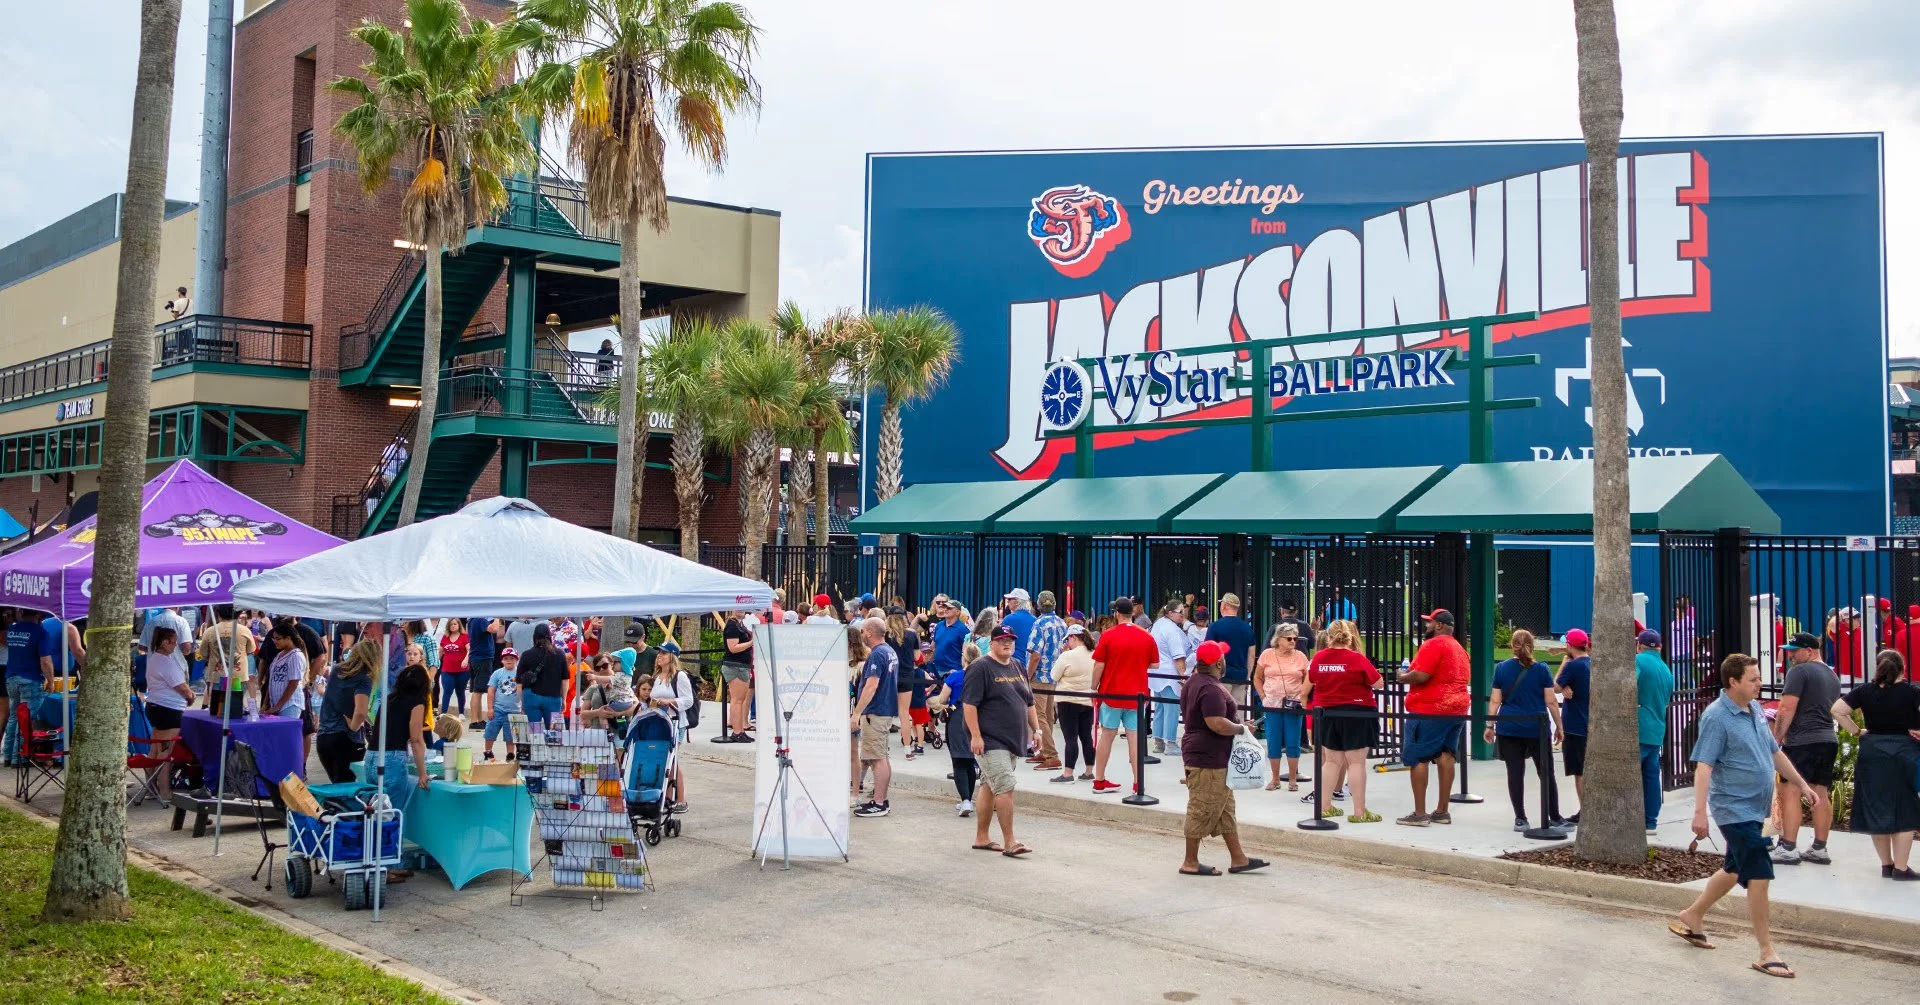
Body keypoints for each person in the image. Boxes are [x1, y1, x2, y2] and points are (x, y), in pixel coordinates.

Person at [1671, 653, 1820, 979]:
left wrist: (1802, 784)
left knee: (1735, 867)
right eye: (1753, 679)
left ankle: (1693, 915)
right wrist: (1700, 813)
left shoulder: (1753, 709)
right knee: (1759, 873)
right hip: (1733, 809)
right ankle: (1767, 952)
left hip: (1756, 809)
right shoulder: (1716, 718)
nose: (1759, 683)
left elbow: (1774, 753)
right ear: (1733, 681)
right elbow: (1704, 767)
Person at [1178, 640, 1269, 876]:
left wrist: (1240, 724)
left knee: (1225, 809)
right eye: (1223, 657)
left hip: (1210, 755)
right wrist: (1241, 730)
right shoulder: (1210, 688)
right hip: (1208, 758)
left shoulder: (1194, 682)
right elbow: (1216, 723)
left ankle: (1239, 858)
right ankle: (1190, 862)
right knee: (1201, 808)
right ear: (1219, 662)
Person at [1830, 649, 1920, 879]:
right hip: (1904, 752)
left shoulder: (1865, 691)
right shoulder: (1912, 692)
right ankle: (1901, 868)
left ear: (1878, 668)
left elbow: (1837, 710)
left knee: (1876, 805)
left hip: (1872, 752)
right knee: (1904, 808)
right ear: (1903, 668)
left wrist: (1857, 731)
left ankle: (1886, 865)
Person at [963, 624, 1039, 856]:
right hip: (990, 739)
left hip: (1012, 739)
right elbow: (969, 704)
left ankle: (982, 837)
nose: (1007, 643)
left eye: (1011, 640)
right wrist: (976, 735)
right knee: (1005, 788)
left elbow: (1028, 701)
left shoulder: (1017, 665)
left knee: (988, 785)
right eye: (1002, 639)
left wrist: (1037, 730)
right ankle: (1010, 842)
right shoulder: (980, 667)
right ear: (992, 642)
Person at [1769, 632, 1840, 865]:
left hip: (1801, 741)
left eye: (1794, 651)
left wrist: (1776, 739)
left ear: (1809, 651)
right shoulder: (1832, 675)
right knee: (1820, 792)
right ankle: (1820, 848)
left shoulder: (1799, 672)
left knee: (1790, 790)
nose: (1790, 655)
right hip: (1828, 739)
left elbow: (1786, 708)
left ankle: (1788, 847)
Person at [1485, 629, 1565, 832]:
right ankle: (1554, 816)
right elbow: (1551, 701)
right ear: (1533, 645)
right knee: (1546, 772)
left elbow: (1496, 700)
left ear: (1512, 646)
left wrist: (1489, 725)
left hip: (1509, 726)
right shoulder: (1542, 669)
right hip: (1536, 728)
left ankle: (1520, 817)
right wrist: (1559, 726)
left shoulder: (1501, 668)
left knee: (1515, 773)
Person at [1399, 609, 1470, 826]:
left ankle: (1420, 814)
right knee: (1447, 755)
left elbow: (1421, 675)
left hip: (1430, 709)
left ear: (1439, 625)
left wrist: (1402, 676)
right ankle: (1442, 811)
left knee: (1418, 758)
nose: (1427, 625)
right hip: (1456, 709)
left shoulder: (1433, 644)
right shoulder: (1459, 648)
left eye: (1430, 622)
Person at [1307, 620, 1381, 823]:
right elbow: (1378, 682)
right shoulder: (1356, 658)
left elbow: (1312, 678)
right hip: (1358, 711)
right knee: (1356, 762)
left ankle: (1324, 806)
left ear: (1329, 637)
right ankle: (1359, 811)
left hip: (1327, 712)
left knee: (1331, 761)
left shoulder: (1319, 657)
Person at [1091, 598, 1157, 794]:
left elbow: (1099, 664)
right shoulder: (1146, 636)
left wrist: (1093, 687)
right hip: (1137, 694)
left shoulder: (1108, 635)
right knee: (1135, 739)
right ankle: (1138, 782)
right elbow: (1154, 664)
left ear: (1116, 613)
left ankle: (1099, 780)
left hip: (1112, 692)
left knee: (1107, 737)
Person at [139, 627, 193, 803]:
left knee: (155, 749)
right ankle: (164, 791)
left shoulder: (154, 658)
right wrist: (190, 695)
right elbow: (181, 686)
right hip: (168, 710)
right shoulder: (165, 662)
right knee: (165, 752)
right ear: (164, 642)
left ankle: (151, 787)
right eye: (172, 641)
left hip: (157, 706)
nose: (175, 644)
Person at [852, 617, 899, 818]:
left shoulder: (878, 654)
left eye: (863, 631)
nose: (861, 634)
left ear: (870, 632)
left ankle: (879, 802)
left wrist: (857, 713)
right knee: (881, 756)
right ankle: (880, 799)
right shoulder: (889, 651)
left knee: (877, 758)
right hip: (885, 709)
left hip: (876, 712)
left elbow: (871, 685)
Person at [1254, 623, 1309, 791]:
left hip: (1293, 705)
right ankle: (1275, 778)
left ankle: (1292, 779)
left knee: (1293, 741)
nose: (1293, 641)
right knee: (1273, 741)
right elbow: (1257, 677)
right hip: (1272, 704)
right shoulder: (1267, 655)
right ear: (1278, 640)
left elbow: (1308, 679)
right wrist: (1263, 696)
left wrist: (1302, 697)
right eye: (1289, 638)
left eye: (1295, 638)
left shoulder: (1301, 656)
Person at [315, 637, 376, 783]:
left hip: (324, 737)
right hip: (346, 739)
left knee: (337, 785)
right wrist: (354, 727)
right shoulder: (364, 677)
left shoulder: (337, 670)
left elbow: (337, 699)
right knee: (346, 788)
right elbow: (360, 712)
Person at [2, 608, 53, 767]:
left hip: (11, 677)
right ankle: (21, 757)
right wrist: (50, 680)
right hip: (30, 679)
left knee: (13, 717)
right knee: (27, 719)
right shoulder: (40, 632)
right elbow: (45, 661)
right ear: (38, 615)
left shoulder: (12, 629)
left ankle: (9, 755)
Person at [1636, 628, 1675, 834]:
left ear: (1639, 645)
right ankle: (1650, 820)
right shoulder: (1667, 670)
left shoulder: (1639, 661)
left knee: (1631, 774)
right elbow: (1668, 701)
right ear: (1659, 646)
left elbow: (1629, 686)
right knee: (1651, 775)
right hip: (1657, 728)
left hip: (1639, 726)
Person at [1023, 590, 1067, 771]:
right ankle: (1044, 750)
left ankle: (1051, 755)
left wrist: (1027, 676)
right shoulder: (1062, 623)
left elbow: (1035, 655)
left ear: (1038, 605)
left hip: (1039, 675)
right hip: (1054, 675)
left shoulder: (1039, 623)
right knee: (1048, 715)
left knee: (1037, 716)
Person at [1048, 625, 1097, 783]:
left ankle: (1068, 773)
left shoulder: (1067, 656)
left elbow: (1054, 675)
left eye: (1068, 639)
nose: (1067, 643)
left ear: (1073, 638)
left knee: (1070, 738)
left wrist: (1062, 654)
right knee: (1086, 737)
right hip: (1087, 700)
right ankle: (1089, 771)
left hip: (1067, 701)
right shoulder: (1094, 654)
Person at [1555, 629, 1593, 823]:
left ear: (1570, 646)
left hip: (1575, 725)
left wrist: (1563, 665)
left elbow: (1554, 686)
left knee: (1580, 772)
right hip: (1591, 724)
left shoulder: (1573, 665)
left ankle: (1585, 812)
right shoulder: (1592, 664)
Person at [1149, 600, 1194, 755]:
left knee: (1160, 708)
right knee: (1171, 708)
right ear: (1170, 613)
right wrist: (1183, 677)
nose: (1183, 615)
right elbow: (1179, 656)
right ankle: (1171, 743)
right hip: (1170, 674)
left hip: (1156, 674)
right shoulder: (1172, 630)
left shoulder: (1158, 624)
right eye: (1180, 612)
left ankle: (1158, 741)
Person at [195, 605, 257, 717]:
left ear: (218, 614)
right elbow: (251, 650)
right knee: (235, 708)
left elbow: (203, 654)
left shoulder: (210, 631)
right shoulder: (244, 630)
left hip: (217, 675)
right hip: (238, 675)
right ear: (237, 614)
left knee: (217, 709)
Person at [1204, 593, 1257, 711]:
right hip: (1240, 677)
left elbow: (1208, 652)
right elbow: (1251, 655)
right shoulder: (1247, 628)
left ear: (1224, 606)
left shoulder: (1215, 627)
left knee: (1220, 712)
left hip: (1220, 677)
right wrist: (1247, 676)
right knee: (1238, 713)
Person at [516, 623, 569, 726]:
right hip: (553, 698)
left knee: (534, 731)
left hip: (531, 696)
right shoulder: (560, 654)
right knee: (554, 733)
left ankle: (536, 742)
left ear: (534, 637)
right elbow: (565, 679)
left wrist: (522, 702)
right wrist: (564, 699)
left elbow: (519, 683)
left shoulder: (526, 654)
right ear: (550, 636)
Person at [715, 610, 755, 743]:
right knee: (737, 700)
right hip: (735, 665)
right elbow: (733, 647)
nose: (741, 610)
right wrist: (752, 642)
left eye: (743, 607)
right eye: (738, 607)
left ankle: (740, 730)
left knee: (740, 700)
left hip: (742, 665)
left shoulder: (740, 624)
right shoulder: (732, 625)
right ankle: (737, 731)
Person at [481, 648, 523, 762]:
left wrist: (523, 708)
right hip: (498, 709)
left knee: (511, 736)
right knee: (490, 732)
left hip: (514, 710)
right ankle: (488, 752)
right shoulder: (497, 673)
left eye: (512, 658)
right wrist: (490, 708)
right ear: (502, 661)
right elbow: (491, 690)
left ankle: (510, 755)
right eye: (506, 658)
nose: (509, 661)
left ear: (516, 660)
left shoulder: (520, 672)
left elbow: (523, 691)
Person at [578, 653, 640, 728]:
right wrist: (598, 712)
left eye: (604, 666)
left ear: (612, 664)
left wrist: (619, 713)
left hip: (620, 734)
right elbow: (582, 714)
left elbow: (637, 708)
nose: (601, 669)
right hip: (597, 733)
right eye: (597, 668)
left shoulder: (623, 686)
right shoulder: (593, 688)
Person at [465, 615, 497, 724]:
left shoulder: (472, 620)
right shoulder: (480, 619)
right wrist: (498, 617)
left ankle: (479, 719)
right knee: (478, 691)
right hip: (482, 658)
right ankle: (474, 721)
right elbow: (493, 629)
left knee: (476, 690)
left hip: (476, 658)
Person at [436, 619, 470, 716]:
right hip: (447, 670)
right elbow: (441, 651)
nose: (453, 626)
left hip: (462, 670)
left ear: (459, 625)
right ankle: (443, 713)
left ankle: (461, 712)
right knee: (447, 690)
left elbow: (469, 649)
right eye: (451, 624)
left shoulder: (464, 636)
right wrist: (436, 663)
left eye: (455, 624)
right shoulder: (445, 637)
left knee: (460, 691)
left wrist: (466, 659)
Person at [1001, 588, 1036, 668]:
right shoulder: (1035, 620)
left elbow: (1000, 641)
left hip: (1012, 663)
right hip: (1030, 665)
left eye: (1010, 599)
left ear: (1017, 601)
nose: (1008, 601)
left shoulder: (1009, 619)